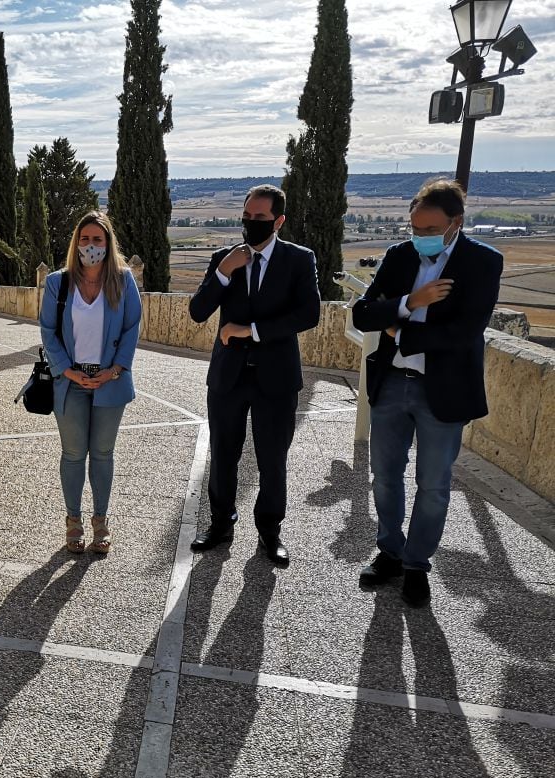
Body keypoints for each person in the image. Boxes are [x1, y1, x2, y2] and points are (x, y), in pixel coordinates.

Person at [352, 178, 502, 607]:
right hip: (392, 385)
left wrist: (399, 333)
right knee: (384, 478)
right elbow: (364, 313)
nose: (420, 237)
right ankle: (390, 552)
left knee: (433, 486)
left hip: (444, 393)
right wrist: (409, 302)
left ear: (455, 223)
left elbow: (464, 333)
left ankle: (418, 565)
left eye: (429, 229)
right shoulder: (400, 256)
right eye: (415, 228)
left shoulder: (483, 262)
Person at [188, 184, 320, 566]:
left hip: (275, 379)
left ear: (278, 221)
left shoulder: (299, 259)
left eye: (260, 218)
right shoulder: (223, 258)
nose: (251, 223)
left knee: (272, 459)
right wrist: (224, 274)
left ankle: (269, 532)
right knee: (223, 455)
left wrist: (252, 330)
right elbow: (198, 311)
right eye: (247, 216)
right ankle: (220, 525)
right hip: (228, 377)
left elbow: (307, 314)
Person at [39, 211, 142, 554]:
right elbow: (48, 331)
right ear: (76, 243)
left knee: (102, 453)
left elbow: (131, 329)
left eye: (98, 239)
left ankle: (101, 521)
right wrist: (67, 370)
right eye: (85, 239)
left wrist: (115, 370)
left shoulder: (124, 282)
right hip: (70, 381)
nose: (91, 246)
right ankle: (73, 521)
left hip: (109, 380)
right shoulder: (58, 282)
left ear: (108, 243)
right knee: (72, 454)